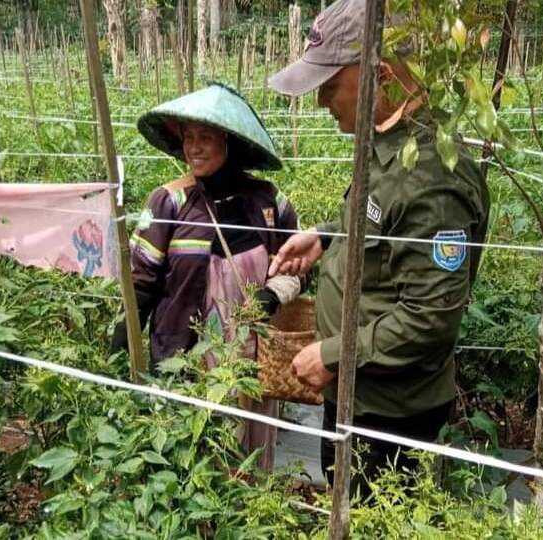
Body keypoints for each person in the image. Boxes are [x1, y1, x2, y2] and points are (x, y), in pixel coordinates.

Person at [268, 0, 490, 496]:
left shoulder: (432, 181)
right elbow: (382, 224)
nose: (323, 102)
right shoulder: (388, 142)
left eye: (328, 87)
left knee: (374, 513)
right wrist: (328, 235)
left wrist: (332, 354)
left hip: (390, 414)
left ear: (383, 77)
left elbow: (431, 316)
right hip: (355, 390)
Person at [111, 83, 302, 470]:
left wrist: (274, 293)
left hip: (250, 363)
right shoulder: (169, 202)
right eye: (187, 138)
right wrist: (121, 341)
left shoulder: (268, 203)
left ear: (229, 141)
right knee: (184, 461)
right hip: (184, 358)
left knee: (245, 463)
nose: (193, 148)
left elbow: (299, 266)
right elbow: (142, 281)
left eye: (205, 137)